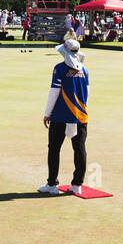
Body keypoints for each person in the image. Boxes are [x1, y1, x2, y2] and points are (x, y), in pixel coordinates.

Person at [40, 39, 89, 195]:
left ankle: (52, 184)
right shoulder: (84, 70)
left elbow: (54, 92)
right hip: (80, 115)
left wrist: (47, 113)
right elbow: (87, 94)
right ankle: (77, 185)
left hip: (60, 115)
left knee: (54, 149)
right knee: (79, 149)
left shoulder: (59, 69)